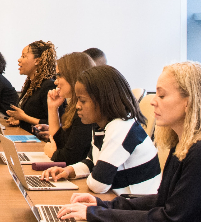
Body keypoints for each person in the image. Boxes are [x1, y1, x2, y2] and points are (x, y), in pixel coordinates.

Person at [56, 61, 201, 222]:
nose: (154, 102)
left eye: (162, 96)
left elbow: (170, 218)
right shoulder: (185, 144)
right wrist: (101, 205)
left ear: (188, 102)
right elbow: (164, 201)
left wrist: (96, 214)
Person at [41, 64, 161, 194]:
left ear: (103, 100)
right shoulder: (102, 126)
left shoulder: (120, 128)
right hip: (120, 201)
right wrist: (69, 171)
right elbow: (92, 161)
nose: (77, 106)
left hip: (136, 205)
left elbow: (98, 184)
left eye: (82, 101)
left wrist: (93, 175)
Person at [43, 51, 97, 164]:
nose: (56, 82)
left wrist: (53, 154)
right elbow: (58, 143)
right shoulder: (73, 107)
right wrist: (52, 108)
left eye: (59, 76)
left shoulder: (86, 111)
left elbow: (69, 158)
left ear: (73, 76)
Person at [6, 40, 57, 131]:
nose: (19, 59)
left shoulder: (48, 85)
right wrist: (19, 120)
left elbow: (53, 122)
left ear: (37, 61)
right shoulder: (31, 83)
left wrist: (23, 117)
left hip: (40, 140)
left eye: (24, 56)